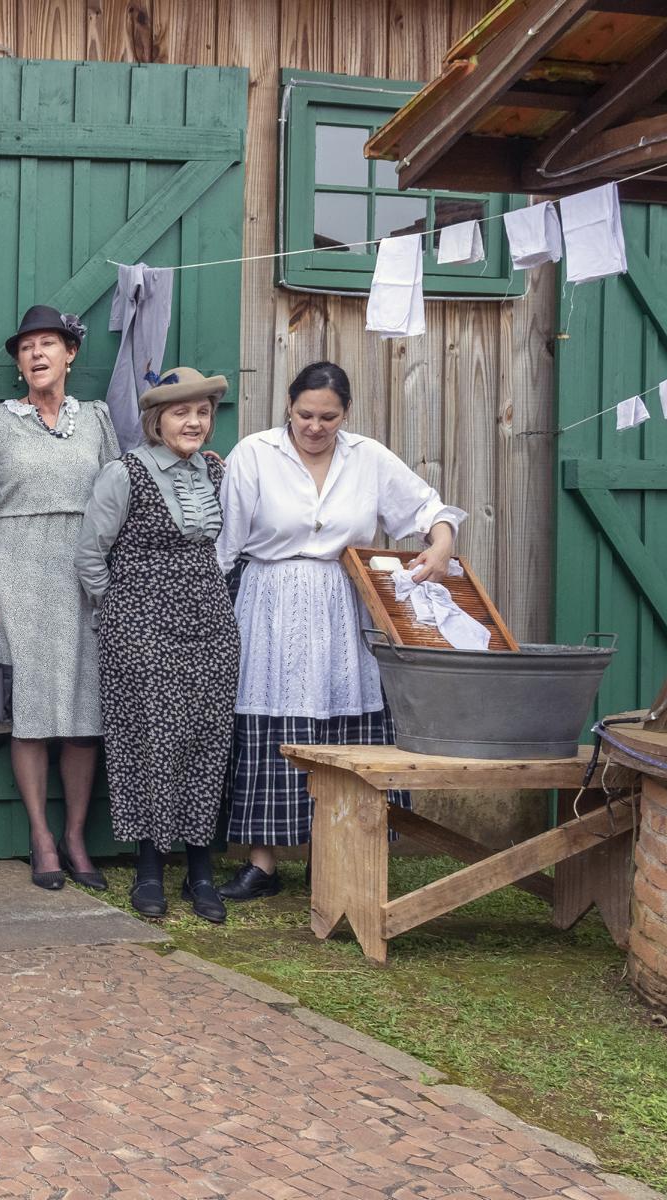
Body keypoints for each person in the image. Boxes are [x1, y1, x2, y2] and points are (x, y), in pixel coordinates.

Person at [215, 361, 465, 900]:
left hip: (343, 602)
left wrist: (442, 542)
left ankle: (338, 852)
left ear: (344, 414)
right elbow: (224, 546)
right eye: (305, 414)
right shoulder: (255, 454)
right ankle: (262, 862)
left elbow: (427, 507)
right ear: (289, 406)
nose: (315, 426)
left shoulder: (368, 457)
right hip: (270, 600)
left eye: (328, 416)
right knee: (270, 721)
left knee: (345, 717)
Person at [76, 368, 238, 922]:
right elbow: (90, 557)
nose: (193, 422)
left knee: (206, 739)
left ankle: (200, 868)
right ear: (156, 419)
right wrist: (121, 612)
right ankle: (149, 867)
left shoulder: (217, 472)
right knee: (150, 742)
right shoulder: (124, 474)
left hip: (211, 626)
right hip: (142, 627)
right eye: (180, 412)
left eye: (202, 412)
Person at [0, 304, 118, 892]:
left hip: (84, 574)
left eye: (47, 344)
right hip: (16, 570)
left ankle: (77, 834)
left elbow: (118, 498)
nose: (35, 354)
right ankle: (40, 836)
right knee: (28, 712)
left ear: (70, 353)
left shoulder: (99, 420)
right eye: (25, 347)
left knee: (83, 716)